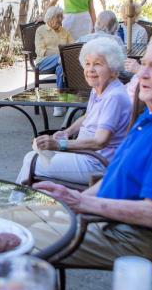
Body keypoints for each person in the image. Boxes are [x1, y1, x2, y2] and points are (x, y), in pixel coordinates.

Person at [34, 32, 152, 271]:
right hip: (113, 221)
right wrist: (77, 198)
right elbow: (114, 173)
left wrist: (80, 203)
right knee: (25, 218)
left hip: (131, 237)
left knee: (25, 238)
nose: (141, 74)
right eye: (143, 64)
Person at [16, 37, 132, 186]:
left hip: (97, 163)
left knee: (31, 159)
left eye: (98, 64)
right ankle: (25, 201)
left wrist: (61, 144)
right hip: (86, 155)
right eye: (88, 64)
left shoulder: (114, 97)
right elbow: (88, 116)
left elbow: (100, 141)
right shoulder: (99, 90)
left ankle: (18, 202)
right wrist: (67, 132)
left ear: (113, 70)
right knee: (37, 155)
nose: (90, 69)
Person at [34, 4, 73, 89]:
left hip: (62, 62)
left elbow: (72, 46)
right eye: (58, 17)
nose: (60, 20)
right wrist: (61, 55)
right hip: (44, 62)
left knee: (61, 69)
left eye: (61, 17)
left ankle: (61, 94)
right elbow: (41, 51)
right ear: (50, 18)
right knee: (63, 60)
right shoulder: (40, 30)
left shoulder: (65, 31)